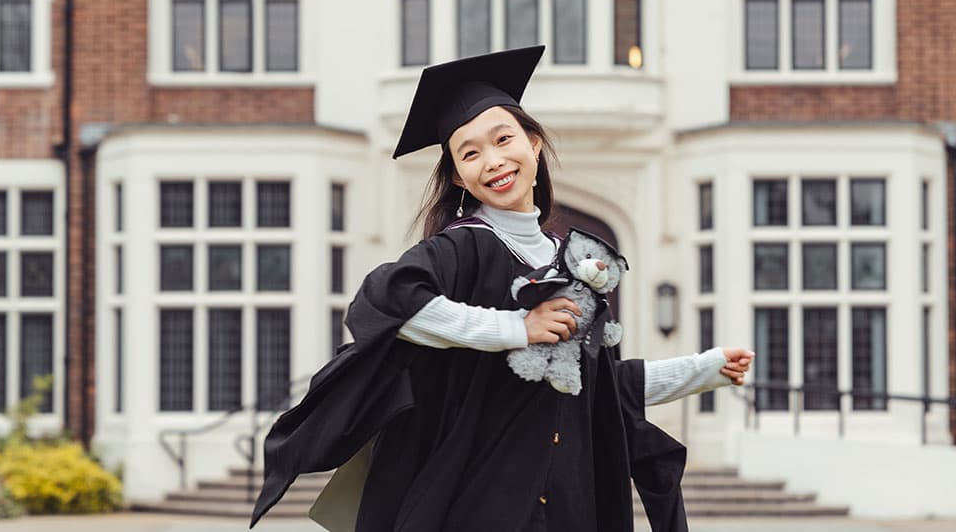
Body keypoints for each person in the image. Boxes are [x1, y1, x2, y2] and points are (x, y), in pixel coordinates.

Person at [250, 45, 754, 532]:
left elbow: (599, 389)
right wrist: (517, 327)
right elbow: (386, 302)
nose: (492, 160)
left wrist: (703, 370)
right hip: (480, 498)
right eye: (470, 154)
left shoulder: (575, 262)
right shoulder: (462, 249)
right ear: (460, 179)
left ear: (533, 143)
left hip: (568, 502)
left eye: (503, 139)